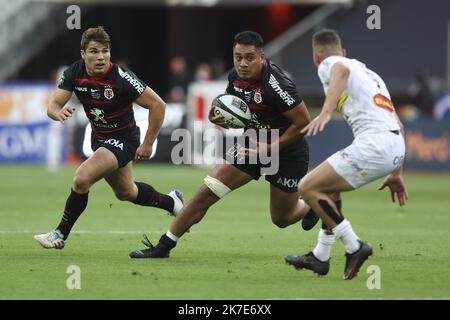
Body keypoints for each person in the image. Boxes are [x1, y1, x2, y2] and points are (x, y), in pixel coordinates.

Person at [129, 30, 324, 259]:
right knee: (206, 193)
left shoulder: (277, 85)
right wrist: (217, 117)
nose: (243, 63)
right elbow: (228, 109)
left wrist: (268, 150)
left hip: (287, 152)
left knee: (282, 219)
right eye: (238, 57)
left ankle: (311, 205)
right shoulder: (235, 78)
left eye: (249, 57)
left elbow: (303, 124)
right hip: (251, 145)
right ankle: (163, 247)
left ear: (262, 57)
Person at [34, 26, 183, 249]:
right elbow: (53, 105)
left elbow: (158, 105)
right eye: (94, 51)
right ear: (83, 53)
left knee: (81, 179)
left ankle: (59, 233)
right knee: (126, 192)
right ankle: (172, 202)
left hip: (124, 139)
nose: (101, 56)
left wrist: (148, 143)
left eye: (105, 51)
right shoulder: (75, 73)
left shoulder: (121, 77)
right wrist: (57, 113)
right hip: (100, 138)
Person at [285, 29, 408, 280]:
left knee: (307, 187)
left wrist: (327, 111)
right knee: (329, 188)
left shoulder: (331, 64)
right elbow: (400, 125)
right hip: (394, 145)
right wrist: (396, 173)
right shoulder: (371, 75)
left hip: (374, 144)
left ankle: (354, 246)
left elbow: (340, 71)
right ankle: (321, 256)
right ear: (343, 51)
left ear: (316, 57)